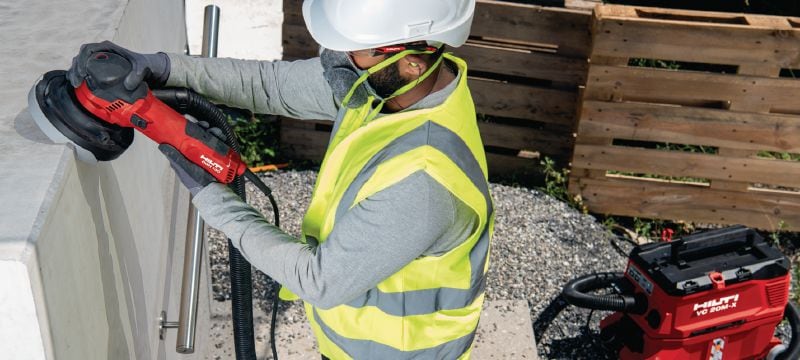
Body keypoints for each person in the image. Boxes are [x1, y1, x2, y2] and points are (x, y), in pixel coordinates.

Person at [69, 0, 494, 358]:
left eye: (356, 51)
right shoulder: (397, 89)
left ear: (411, 60)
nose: (337, 60)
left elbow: (319, 280)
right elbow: (269, 85)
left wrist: (212, 196)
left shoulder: (423, 180)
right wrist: (162, 67)